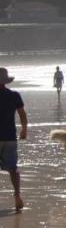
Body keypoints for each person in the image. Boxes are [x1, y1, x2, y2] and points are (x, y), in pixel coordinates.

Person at [1, 68, 28, 211]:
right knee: (13, 168)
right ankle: (17, 195)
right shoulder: (14, 95)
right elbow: (22, 114)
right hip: (10, 137)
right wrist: (24, 129)